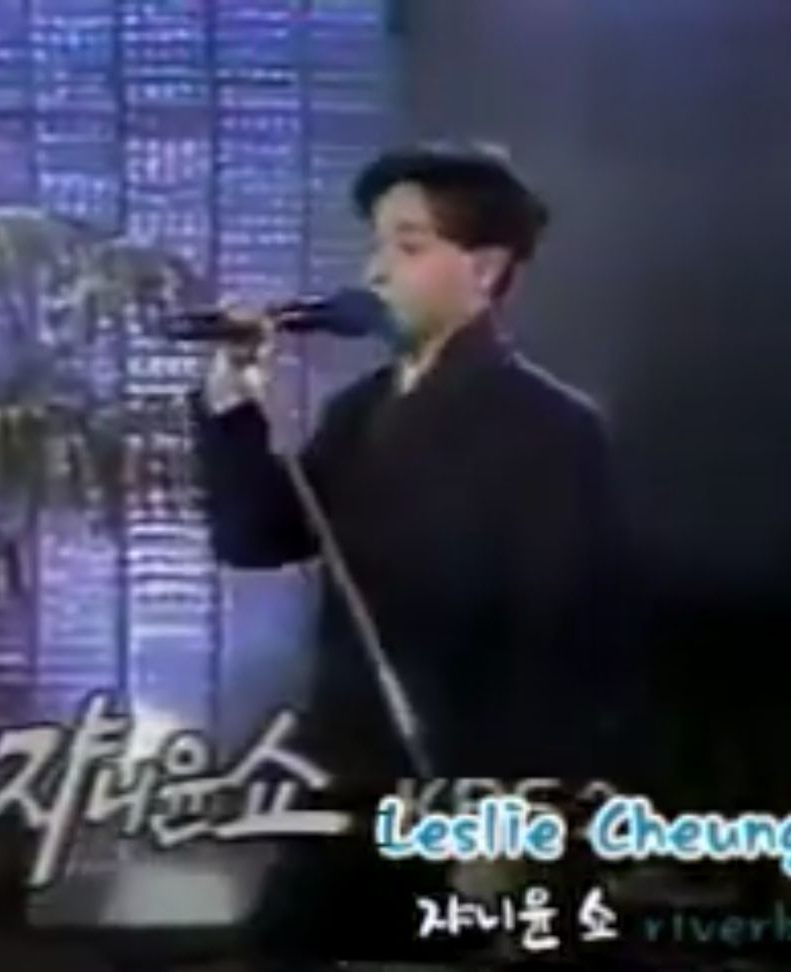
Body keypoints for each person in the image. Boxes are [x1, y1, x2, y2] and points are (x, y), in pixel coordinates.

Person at [190, 144, 637, 965]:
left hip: (466, 792)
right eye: (378, 245)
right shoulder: (360, 412)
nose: (377, 270)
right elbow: (256, 539)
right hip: (350, 776)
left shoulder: (551, 429)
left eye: (408, 244)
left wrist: (516, 819)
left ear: (486, 269)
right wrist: (232, 404)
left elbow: (562, 642)